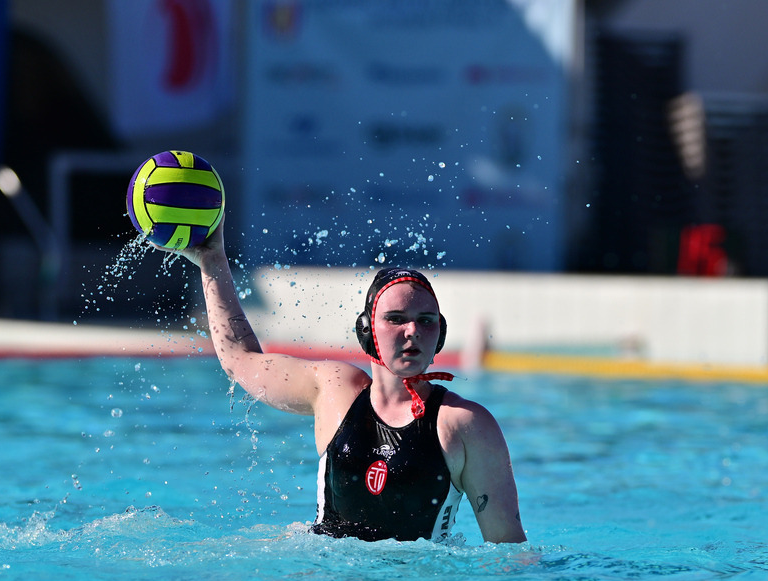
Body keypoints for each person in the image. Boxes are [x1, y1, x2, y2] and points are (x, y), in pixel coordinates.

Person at [170, 212, 526, 544]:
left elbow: (509, 553)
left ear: (441, 334)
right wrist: (212, 258)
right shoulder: (334, 391)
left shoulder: (465, 424)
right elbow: (240, 360)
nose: (413, 331)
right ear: (366, 330)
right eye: (397, 318)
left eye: (427, 320)